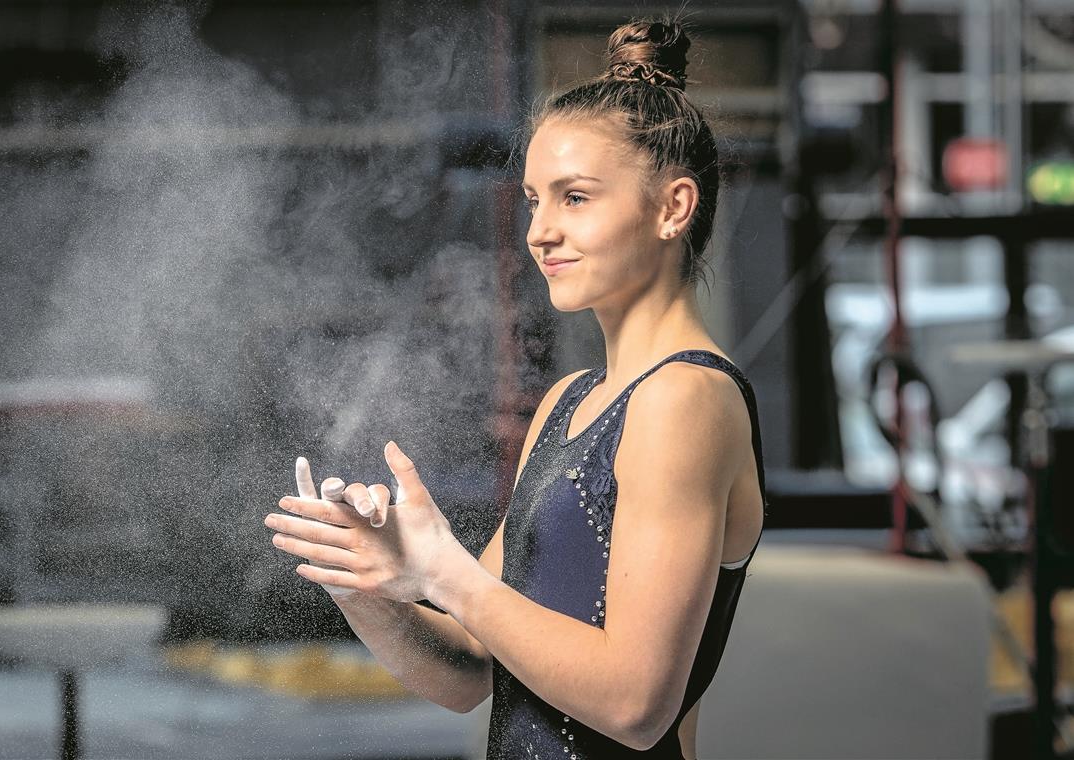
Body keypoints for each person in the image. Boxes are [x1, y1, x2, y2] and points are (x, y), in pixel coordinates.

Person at [264, 15, 768, 759]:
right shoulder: (569, 403)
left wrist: (445, 571)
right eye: (534, 199)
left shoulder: (685, 400)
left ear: (673, 207)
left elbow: (635, 704)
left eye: (575, 197)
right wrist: (368, 582)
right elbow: (470, 669)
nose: (539, 231)